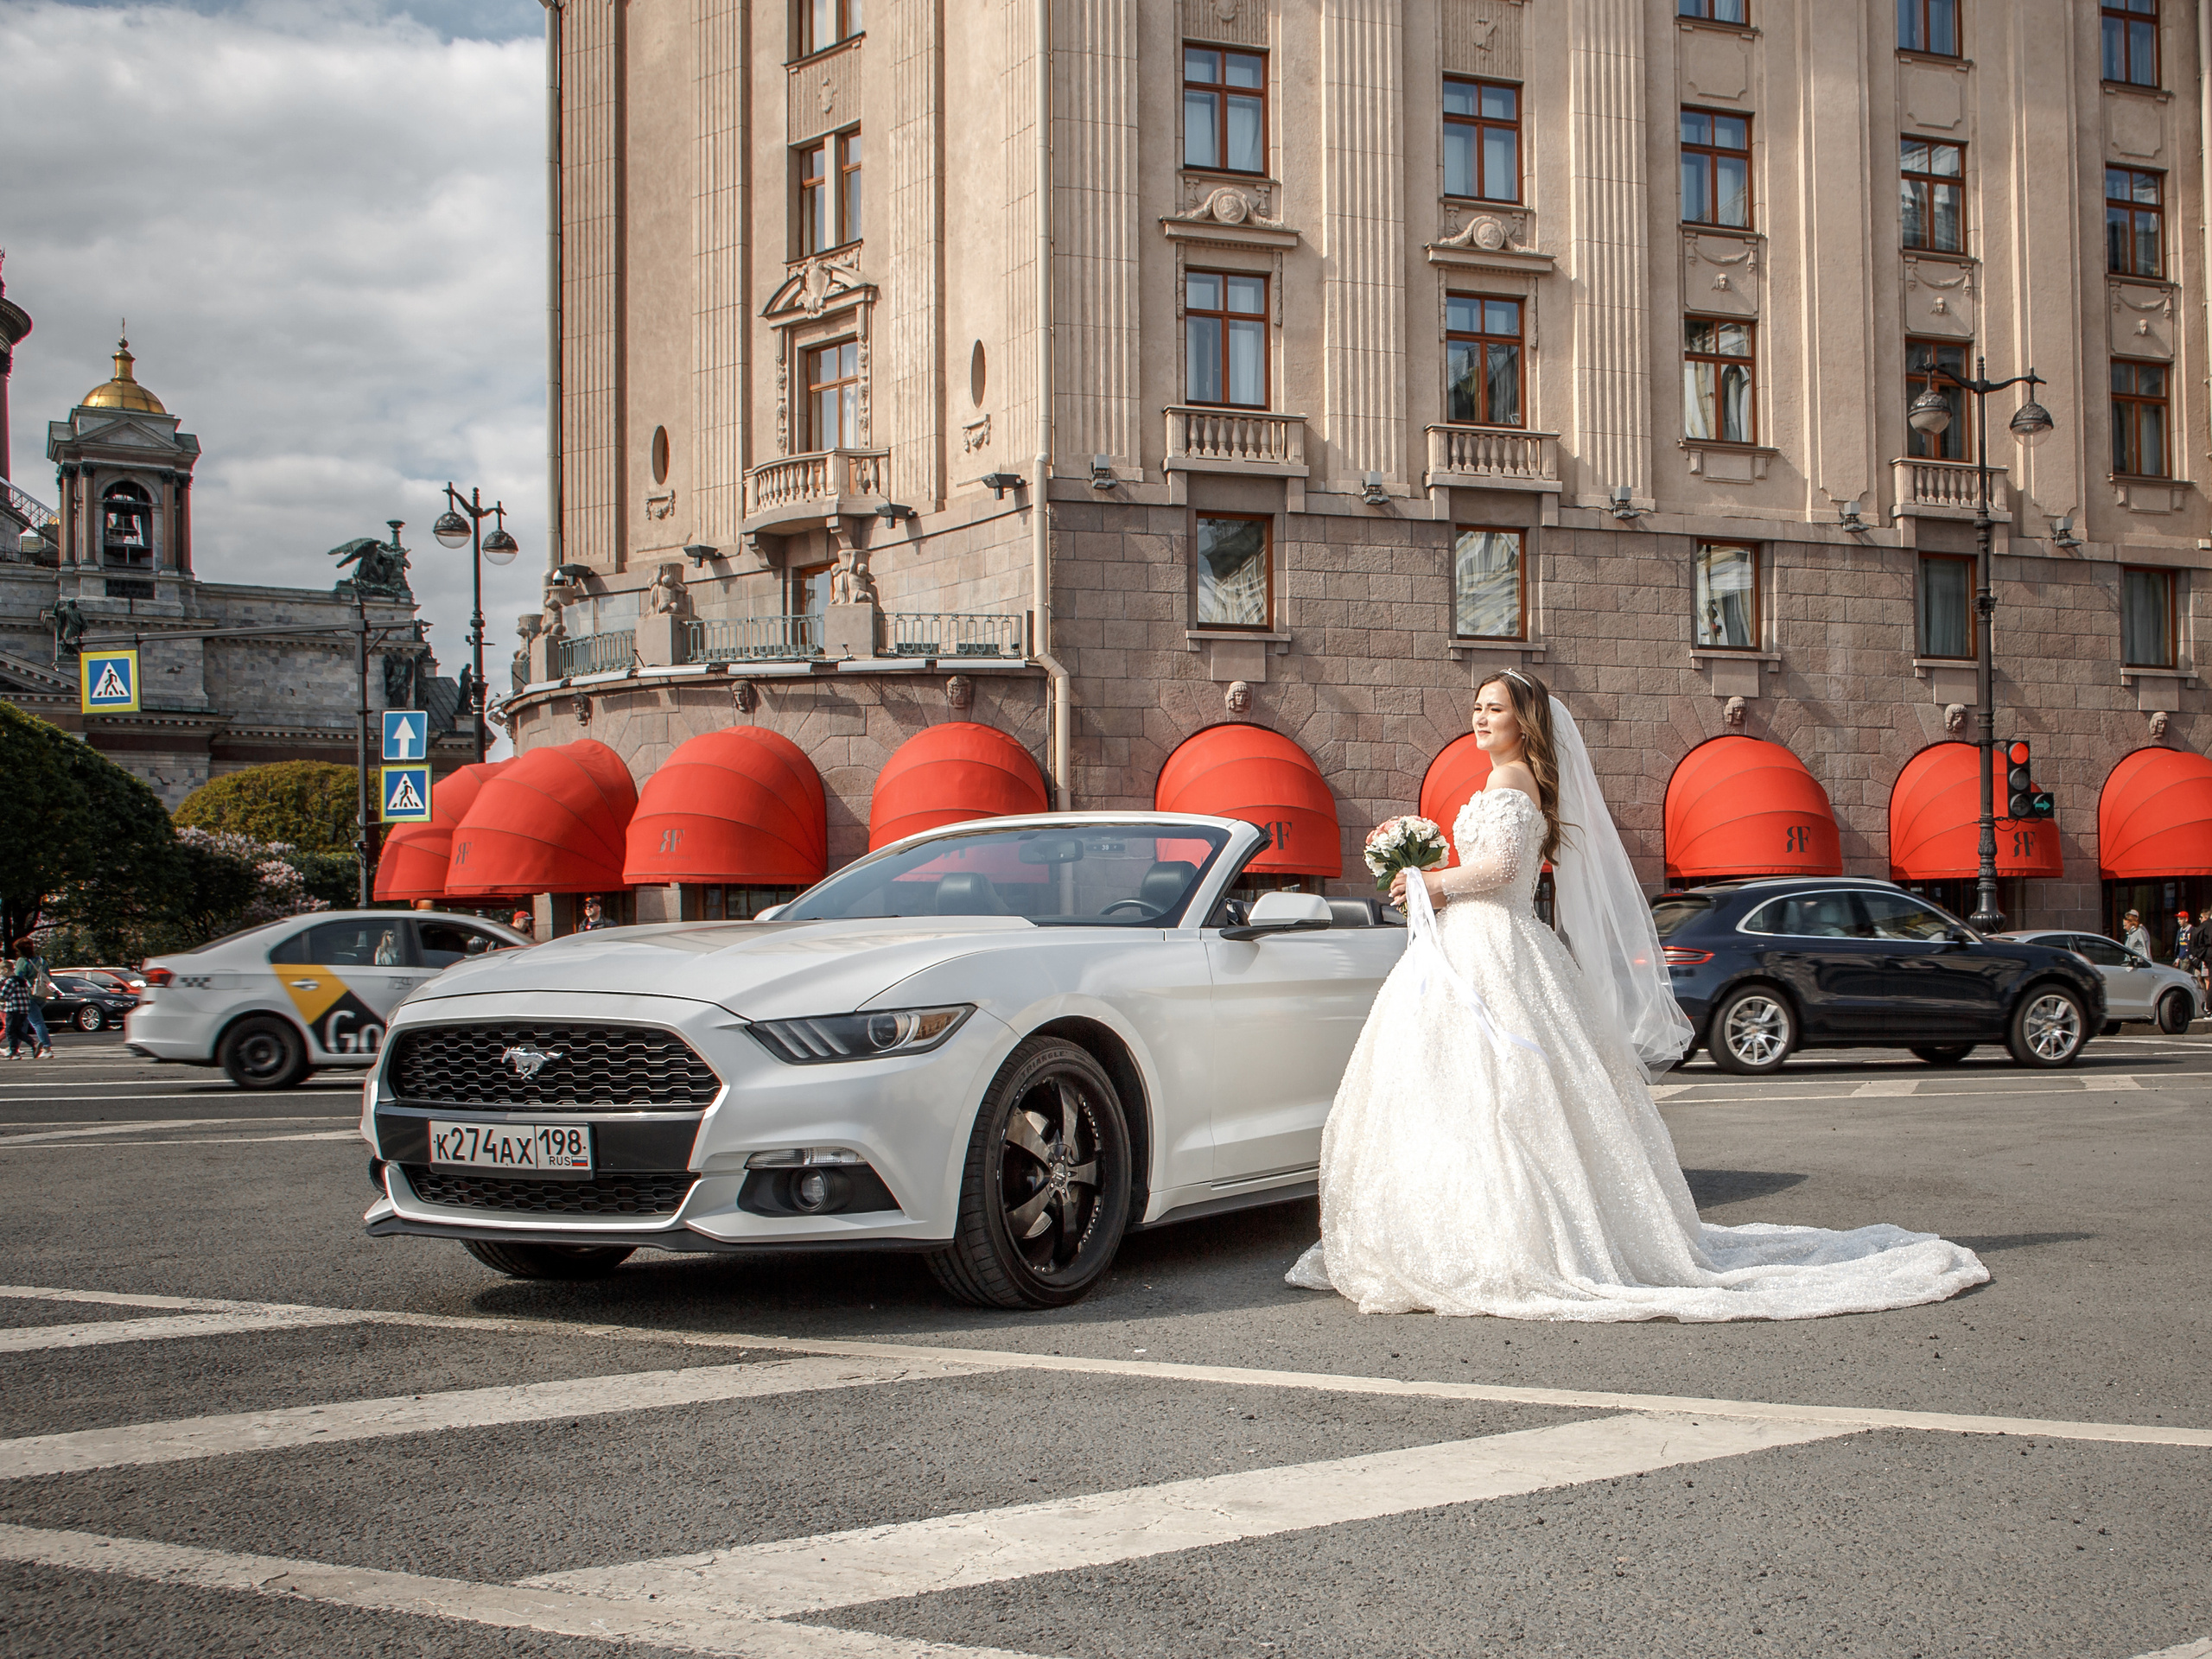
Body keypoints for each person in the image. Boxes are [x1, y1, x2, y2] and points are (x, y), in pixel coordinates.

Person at [1287, 669, 1989, 1321]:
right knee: (1486, 1092)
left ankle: (1498, 1239)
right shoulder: (1520, 778)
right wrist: (1433, 875)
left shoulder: (1510, 778)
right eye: (1476, 706)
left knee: (1496, 1092)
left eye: (1493, 707)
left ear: (1523, 721)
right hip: (1485, 943)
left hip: (1494, 944)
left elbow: (1499, 869)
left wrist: (1428, 882)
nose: (1479, 715)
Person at [11, 939, 53, 1059]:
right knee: (24, 1022)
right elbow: (49, 977)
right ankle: (16, 1047)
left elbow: (18, 978)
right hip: (41, 995)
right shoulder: (41, 961)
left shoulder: (22, 962)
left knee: (37, 1022)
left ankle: (47, 1047)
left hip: (27, 996)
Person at [1, 958, 34, 1058]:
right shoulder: (21, 981)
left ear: (6, 970)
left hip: (13, 1009)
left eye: (1, 970)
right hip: (24, 1009)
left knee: (10, 1031)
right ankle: (33, 1044)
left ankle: (14, 1052)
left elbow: (3, 996)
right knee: (16, 1030)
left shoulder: (10, 981)